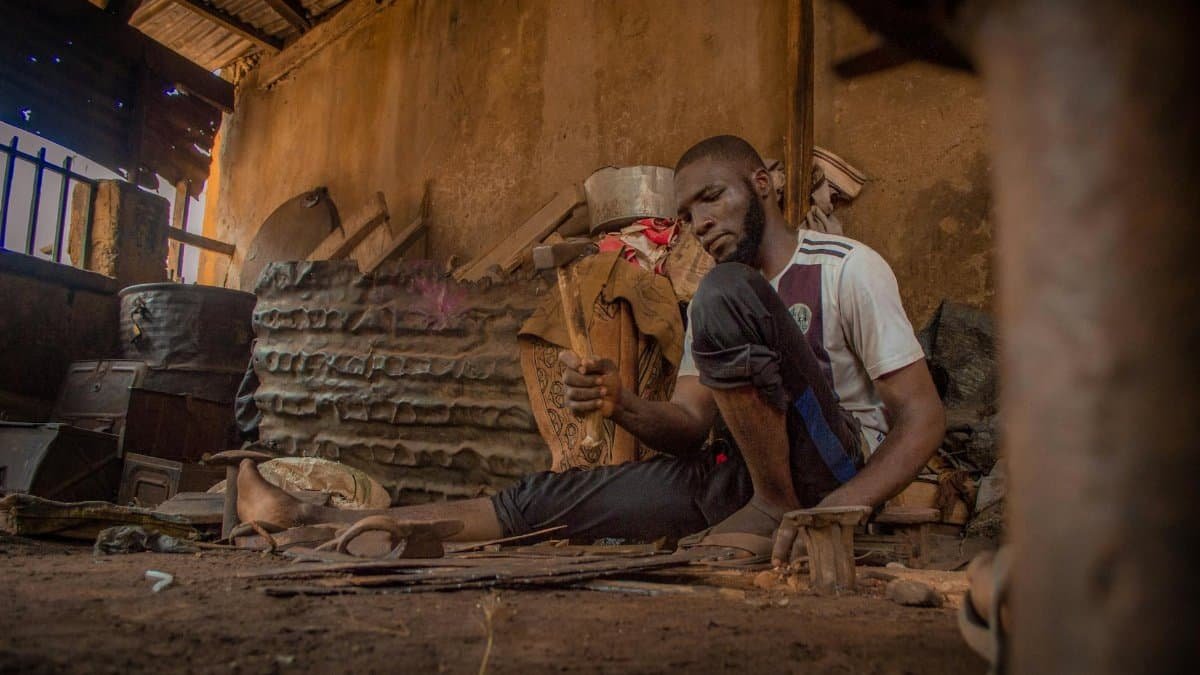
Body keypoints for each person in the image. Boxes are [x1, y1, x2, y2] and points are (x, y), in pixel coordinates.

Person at [236, 135, 945, 566]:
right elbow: (693, 423)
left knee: (725, 290)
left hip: (825, 471)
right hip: (733, 475)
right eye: (688, 211)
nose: (699, 221)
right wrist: (624, 404)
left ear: (761, 184)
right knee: (547, 498)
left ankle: (775, 508)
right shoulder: (717, 300)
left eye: (713, 198)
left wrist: (843, 509)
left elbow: (920, 417)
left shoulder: (846, 267)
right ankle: (315, 523)